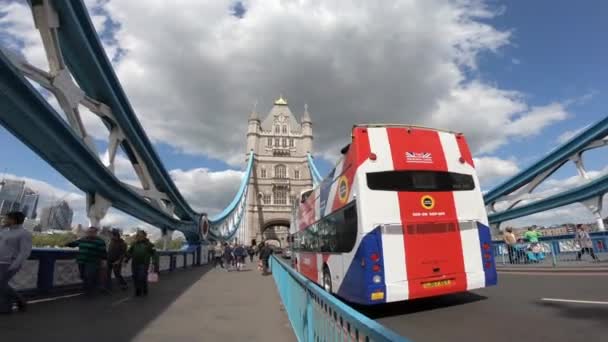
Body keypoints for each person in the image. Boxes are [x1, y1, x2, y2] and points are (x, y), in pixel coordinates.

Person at [0, 211, 32, 314]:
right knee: (2, 285)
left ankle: (8, 307)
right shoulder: (4, 231)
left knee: (1, 284)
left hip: (9, 263)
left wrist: (14, 265)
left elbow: (25, 252)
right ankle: (18, 301)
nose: (4, 220)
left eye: (6, 218)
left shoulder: (24, 233)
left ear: (13, 220)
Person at [66, 226, 107, 296]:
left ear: (95, 233)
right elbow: (74, 243)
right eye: (89, 232)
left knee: (88, 275)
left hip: (92, 261)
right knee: (82, 275)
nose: (90, 233)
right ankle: (87, 289)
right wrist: (67, 244)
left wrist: (104, 261)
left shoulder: (100, 241)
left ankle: (89, 291)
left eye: (92, 232)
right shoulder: (83, 239)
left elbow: (103, 252)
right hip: (81, 261)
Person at [124, 230, 158, 297]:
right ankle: (138, 290)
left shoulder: (149, 244)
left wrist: (154, 262)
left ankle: (143, 289)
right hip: (135, 263)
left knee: (141, 277)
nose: (138, 237)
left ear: (144, 236)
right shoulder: (134, 244)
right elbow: (129, 253)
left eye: (140, 235)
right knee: (135, 277)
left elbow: (154, 254)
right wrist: (126, 260)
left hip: (144, 264)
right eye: (138, 235)